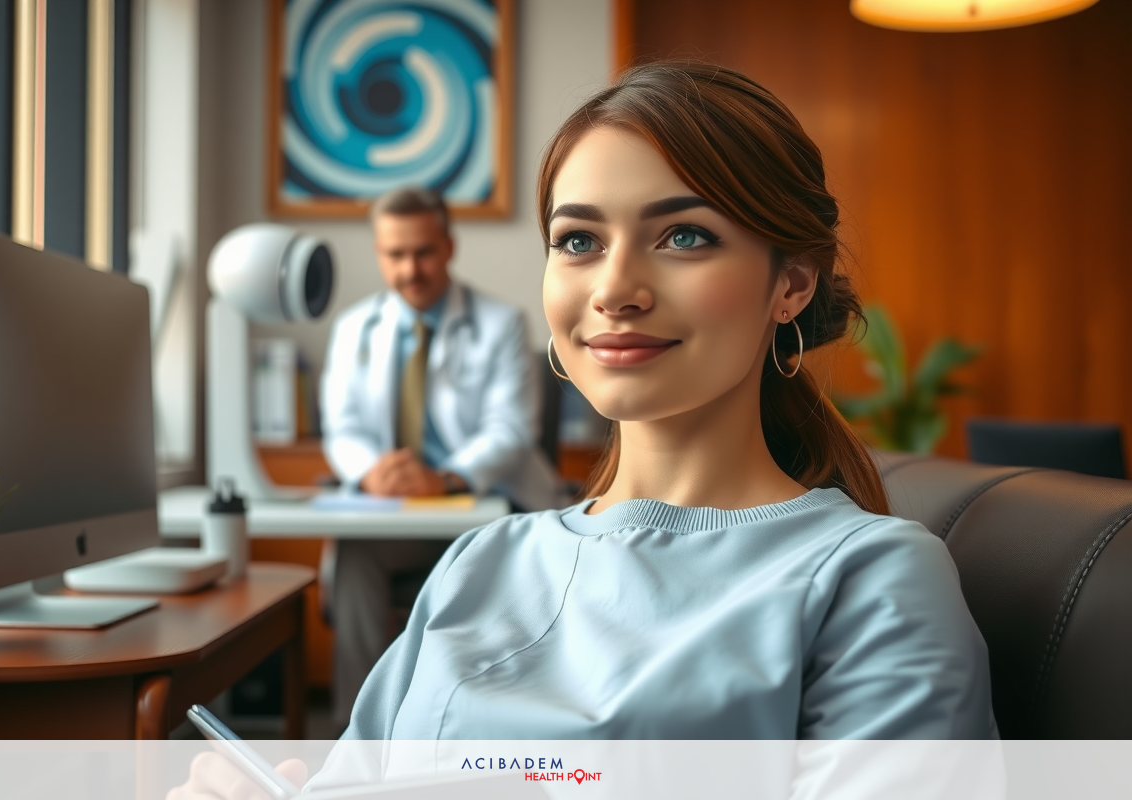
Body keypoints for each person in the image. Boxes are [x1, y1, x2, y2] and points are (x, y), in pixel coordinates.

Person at [169, 60, 993, 799]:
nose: (615, 288)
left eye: (684, 236)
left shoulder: (873, 583)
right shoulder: (480, 562)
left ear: (792, 285)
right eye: (579, 240)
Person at [319, 187, 562, 734]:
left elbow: (511, 429)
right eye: (395, 255)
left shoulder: (501, 322)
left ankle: (474, 732)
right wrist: (369, 473)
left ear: (449, 246)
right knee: (354, 554)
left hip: (483, 510)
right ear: (379, 253)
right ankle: (355, 732)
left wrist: (446, 477)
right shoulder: (353, 328)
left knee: (489, 562)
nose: (410, 269)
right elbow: (343, 429)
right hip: (395, 513)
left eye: (423, 252)